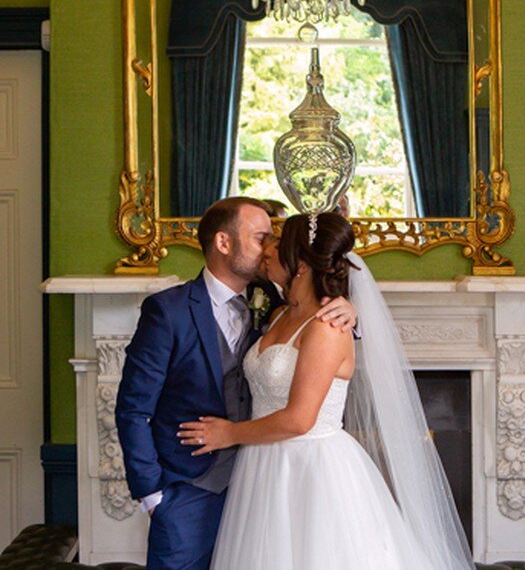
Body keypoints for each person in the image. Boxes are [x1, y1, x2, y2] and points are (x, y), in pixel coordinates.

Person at [179, 212, 475, 570]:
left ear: (301, 264)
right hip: (262, 466)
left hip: (311, 469)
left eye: (277, 242)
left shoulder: (328, 327)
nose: (267, 250)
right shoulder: (276, 313)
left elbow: (300, 419)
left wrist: (229, 434)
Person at [115, 197, 356, 570]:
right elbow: (133, 408)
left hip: (262, 485)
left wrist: (349, 309)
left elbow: (322, 339)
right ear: (224, 244)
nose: (269, 250)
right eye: (261, 238)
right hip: (188, 491)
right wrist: (152, 494)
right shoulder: (169, 310)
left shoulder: (275, 306)